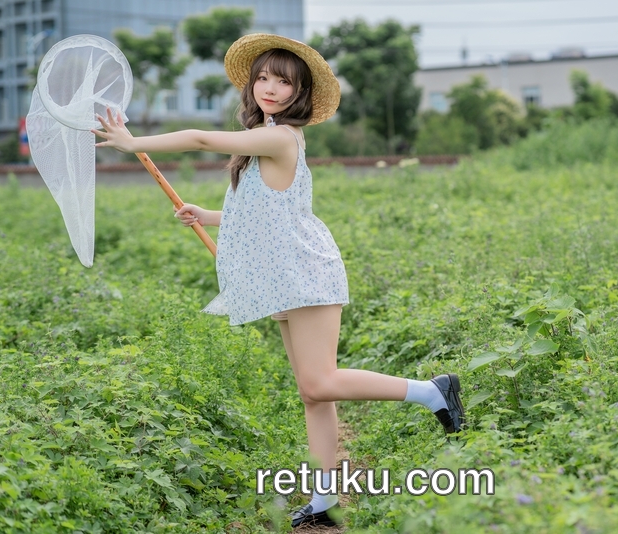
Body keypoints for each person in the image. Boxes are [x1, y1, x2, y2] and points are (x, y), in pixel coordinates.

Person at [93, 33, 464, 530]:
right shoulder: (264, 137)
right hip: (284, 276)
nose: (270, 88)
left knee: (319, 381)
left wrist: (133, 142)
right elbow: (268, 211)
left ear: (299, 92)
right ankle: (325, 500)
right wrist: (209, 214)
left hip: (305, 271)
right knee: (314, 395)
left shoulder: (281, 137)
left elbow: (201, 139)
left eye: (283, 82)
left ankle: (432, 392)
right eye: (263, 77)